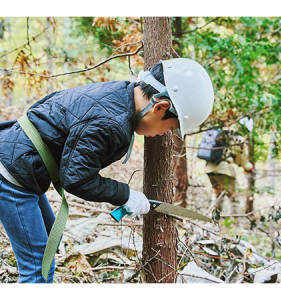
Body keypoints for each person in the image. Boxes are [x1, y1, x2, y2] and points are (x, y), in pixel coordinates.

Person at [0, 58, 214, 283]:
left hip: (17, 161)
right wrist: (126, 195)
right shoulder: (112, 123)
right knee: (37, 270)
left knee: (50, 241)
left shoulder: (119, 93)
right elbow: (77, 179)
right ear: (160, 107)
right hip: (11, 174)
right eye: (169, 128)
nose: (163, 134)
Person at [204, 119, 254, 215]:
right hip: (224, 170)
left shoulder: (219, 134)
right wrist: (249, 168)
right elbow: (242, 159)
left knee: (219, 196)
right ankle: (234, 224)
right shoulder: (238, 139)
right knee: (234, 197)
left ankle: (215, 221)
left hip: (210, 169)